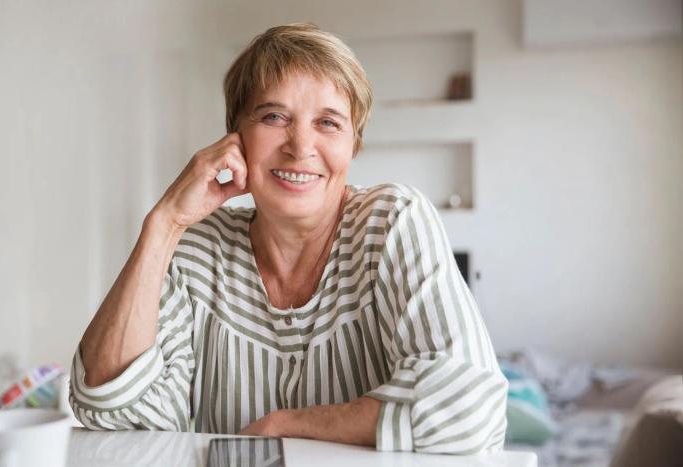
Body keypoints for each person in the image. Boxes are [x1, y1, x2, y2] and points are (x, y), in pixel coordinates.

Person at [69, 23, 508, 454]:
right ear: (235, 136)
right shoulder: (197, 249)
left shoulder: (391, 221)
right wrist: (163, 223)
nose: (300, 147)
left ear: (353, 145)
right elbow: (108, 406)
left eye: (328, 123)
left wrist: (290, 424)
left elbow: (470, 404)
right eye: (274, 117)